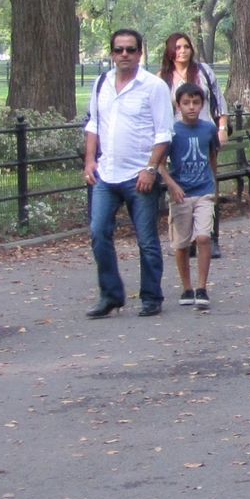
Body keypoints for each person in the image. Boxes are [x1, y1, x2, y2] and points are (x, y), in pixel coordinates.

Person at [83, 29, 173, 318]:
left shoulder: (153, 86)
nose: (124, 54)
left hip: (139, 176)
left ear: (139, 53)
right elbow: (93, 125)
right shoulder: (101, 84)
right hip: (106, 175)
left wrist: (150, 168)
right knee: (98, 233)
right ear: (111, 53)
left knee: (146, 239)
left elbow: (164, 133)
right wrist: (89, 161)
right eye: (119, 49)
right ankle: (110, 295)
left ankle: (151, 296)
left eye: (130, 50)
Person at [159, 30, 226, 259]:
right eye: (177, 47)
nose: (182, 51)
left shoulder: (203, 72)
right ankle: (183, 237)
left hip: (204, 131)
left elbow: (219, 101)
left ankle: (210, 237)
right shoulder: (163, 78)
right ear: (169, 51)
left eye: (186, 46)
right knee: (182, 179)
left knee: (207, 181)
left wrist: (222, 127)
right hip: (177, 136)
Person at [165, 83, 219, 309]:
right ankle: (186, 287)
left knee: (204, 236)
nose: (191, 107)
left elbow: (213, 156)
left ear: (202, 104)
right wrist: (172, 185)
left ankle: (202, 287)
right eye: (186, 103)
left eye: (196, 102)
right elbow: (158, 164)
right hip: (181, 195)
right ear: (178, 105)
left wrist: (214, 184)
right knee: (182, 243)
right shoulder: (173, 131)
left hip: (204, 191)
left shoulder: (208, 129)